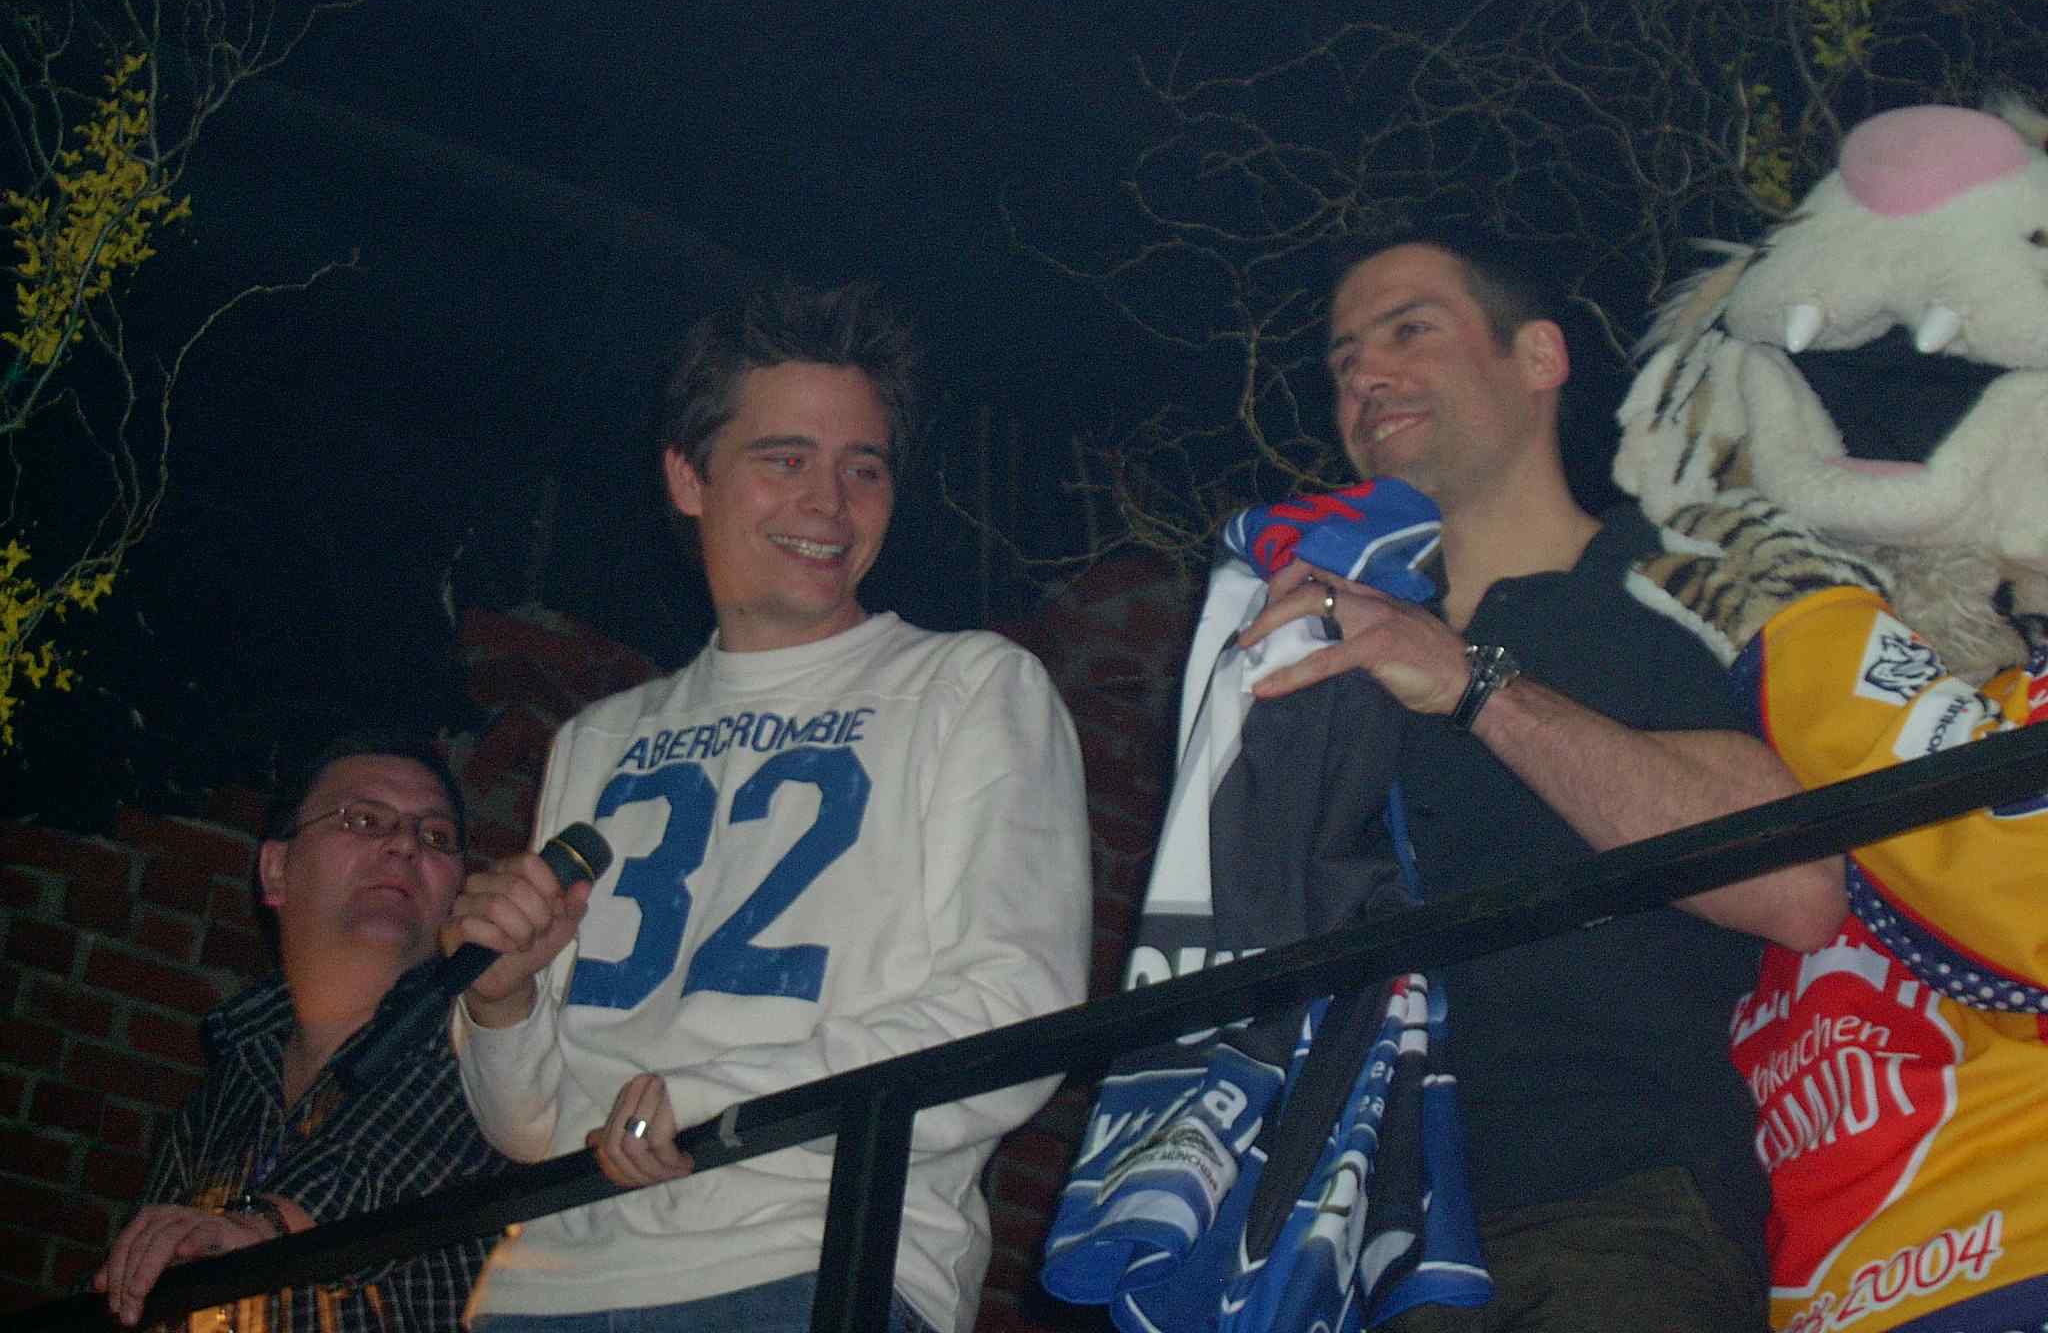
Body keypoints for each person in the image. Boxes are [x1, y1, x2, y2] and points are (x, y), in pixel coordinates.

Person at [447, 280, 1090, 1333]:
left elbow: (1014, 1014)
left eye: (863, 467)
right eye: (785, 459)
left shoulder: (968, 687)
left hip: (811, 1263)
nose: (829, 503)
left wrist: (716, 1101)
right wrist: (499, 1001)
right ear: (687, 476)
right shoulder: (597, 740)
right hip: (542, 1288)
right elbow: (530, 1127)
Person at [1234, 229, 1847, 1331]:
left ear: (1538, 357)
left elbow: (1796, 885)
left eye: (1410, 330)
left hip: (1604, 1210)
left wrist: (1469, 684)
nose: (1366, 376)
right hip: (1342, 1253)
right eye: (1343, 359)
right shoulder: (1325, 649)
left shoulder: (1674, 586)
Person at [92, 734, 508, 1331]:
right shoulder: (228, 1087)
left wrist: (259, 1227)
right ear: (276, 869)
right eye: (364, 820)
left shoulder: (491, 1040)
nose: (405, 844)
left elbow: (390, 1153)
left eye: (436, 837)